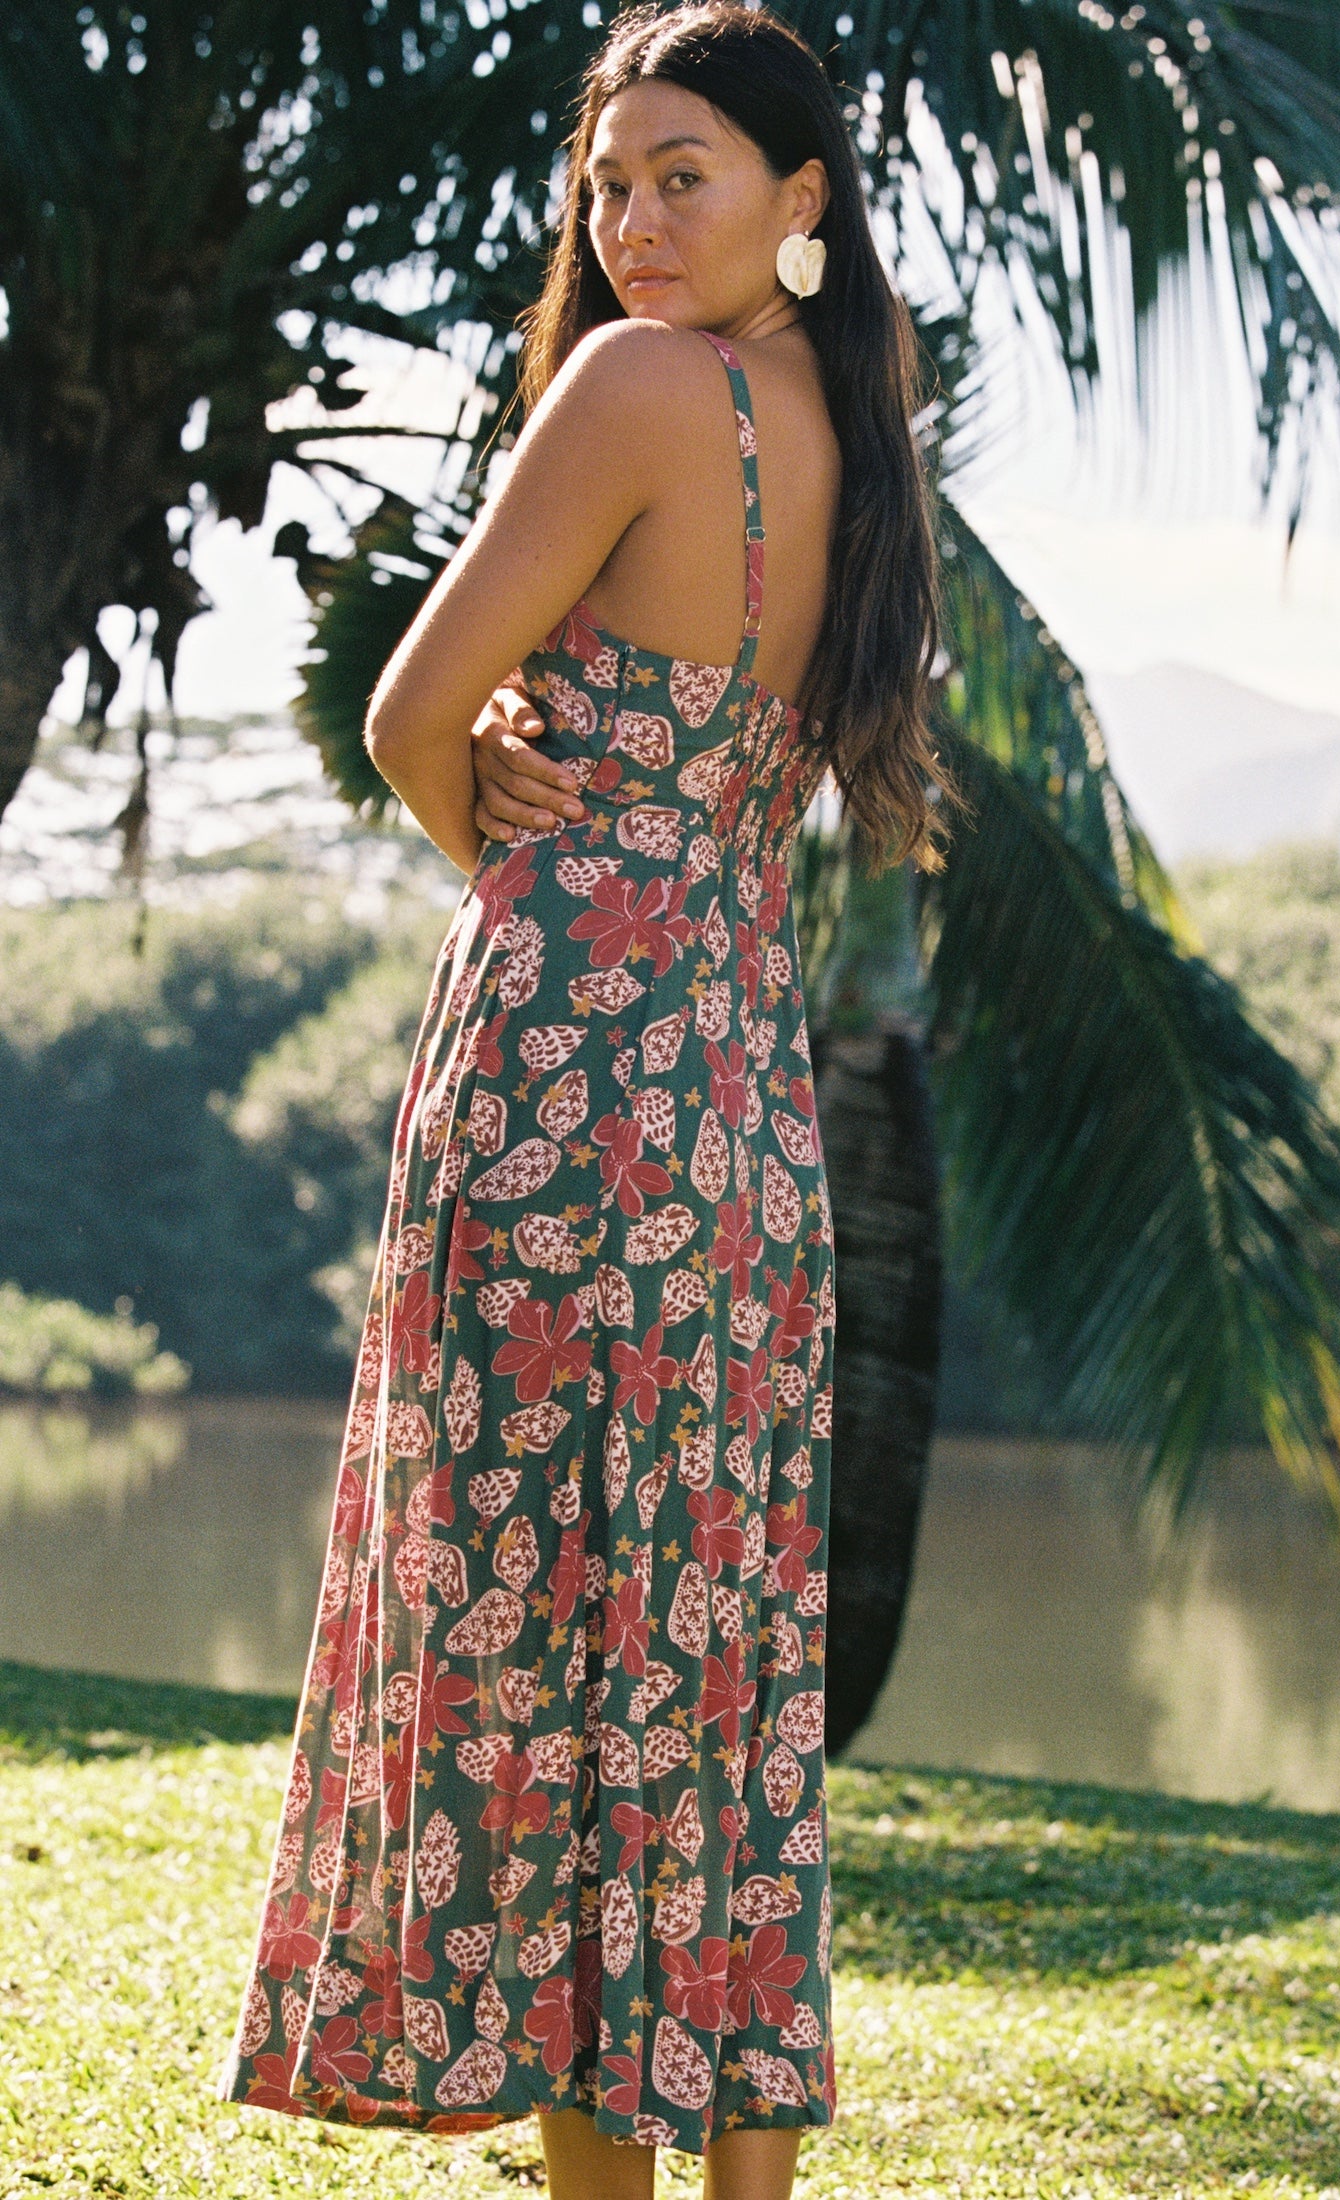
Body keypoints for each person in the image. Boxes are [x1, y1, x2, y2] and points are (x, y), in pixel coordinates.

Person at [216, 6, 948, 2196]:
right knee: (703, 1652)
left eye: (684, 172)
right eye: (606, 183)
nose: (632, 222)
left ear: (799, 199)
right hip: (734, 1087)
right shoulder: (854, 425)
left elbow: (411, 711)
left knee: (533, 1637)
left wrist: (530, 857)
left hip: (560, 1067)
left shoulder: (634, 386)